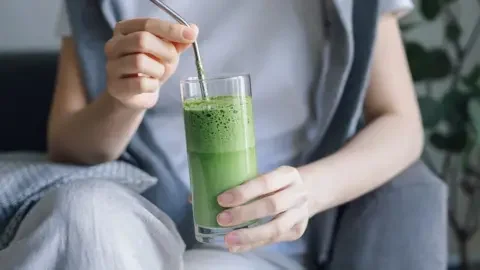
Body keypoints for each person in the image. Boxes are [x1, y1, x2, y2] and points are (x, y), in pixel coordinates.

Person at [0, 0, 448, 269]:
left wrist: (307, 191)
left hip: (260, 246)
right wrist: (123, 101)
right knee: (84, 210)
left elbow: (400, 122)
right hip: (136, 222)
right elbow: (66, 145)